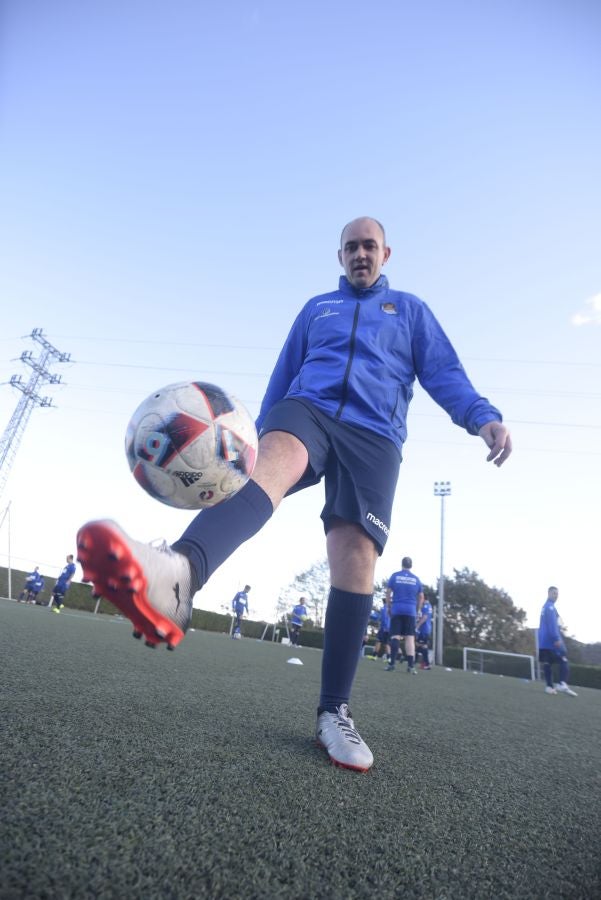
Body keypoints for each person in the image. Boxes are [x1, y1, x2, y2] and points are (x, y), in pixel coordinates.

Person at [76, 216, 511, 773]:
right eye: (351, 247)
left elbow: (444, 372)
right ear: (340, 256)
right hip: (309, 410)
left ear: (386, 254)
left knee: (356, 555)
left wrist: (481, 417)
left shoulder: (409, 311)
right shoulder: (317, 309)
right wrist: (252, 440)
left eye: (369, 246)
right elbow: (284, 374)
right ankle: (180, 575)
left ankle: (334, 711)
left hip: (376, 435)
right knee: (276, 459)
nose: (360, 254)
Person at [385, 557, 424, 674]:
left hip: (397, 609)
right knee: (410, 638)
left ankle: (392, 664)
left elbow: (388, 592)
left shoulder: (395, 576)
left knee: (395, 637)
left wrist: (389, 607)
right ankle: (411, 666)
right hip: (410, 611)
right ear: (411, 566)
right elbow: (421, 596)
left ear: (401, 564)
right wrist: (418, 610)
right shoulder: (416, 579)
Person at [538, 587, 577, 696]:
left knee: (548, 663)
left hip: (543, 641)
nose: (556, 596)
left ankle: (549, 687)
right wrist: (556, 638)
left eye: (557, 594)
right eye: (554, 593)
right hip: (551, 640)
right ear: (549, 593)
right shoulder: (550, 607)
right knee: (563, 659)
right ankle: (562, 683)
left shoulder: (545, 607)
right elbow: (552, 624)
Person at [416, 597, 433, 669]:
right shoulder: (429, 606)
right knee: (419, 645)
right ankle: (423, 663)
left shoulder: (425, 606)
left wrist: (417, 626)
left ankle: (426, 664)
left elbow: (425, 617)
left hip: (424, 629)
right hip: (427, 629)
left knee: (422, 645)